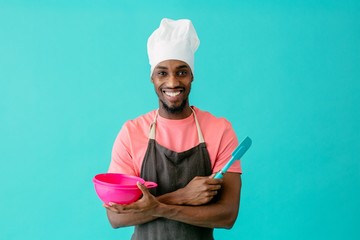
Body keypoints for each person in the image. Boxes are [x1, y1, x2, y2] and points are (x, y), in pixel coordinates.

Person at [104, 18, 242, 240]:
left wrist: (158, 207)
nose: (172, 82)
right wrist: (181, 196)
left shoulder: (220, 130)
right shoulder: (131, 133)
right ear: (152, 78)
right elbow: (117, 218)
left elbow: (227, 215)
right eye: (162, 73)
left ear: (192, 76)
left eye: (181, 72)